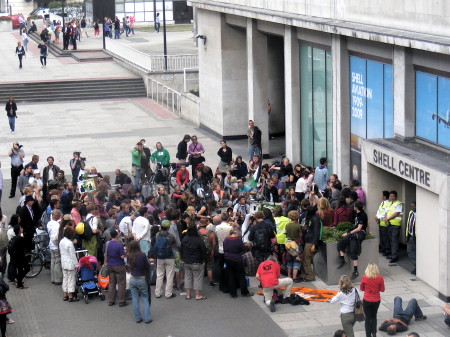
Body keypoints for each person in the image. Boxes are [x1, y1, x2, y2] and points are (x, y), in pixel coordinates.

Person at [337, 201, 367, 280]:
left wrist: (349, 234)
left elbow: (359, 228)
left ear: (356, 207)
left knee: (353, 249)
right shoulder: (357, 214)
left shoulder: (362, 215)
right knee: (341, 242)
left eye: (354, 206)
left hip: (359, 234)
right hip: (355, 233)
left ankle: (355, 270)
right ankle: (342, 260)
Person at [223, 226, 253, 298]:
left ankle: (233, 293)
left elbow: (224, 249)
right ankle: (244, 292)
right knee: (241, 276)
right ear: (237, 233)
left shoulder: (226, 240)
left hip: (227, 258)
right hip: (237, 259)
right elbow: (243, 249)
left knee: (231, 275)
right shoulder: (238, 241)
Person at [180, 223, 207, 300]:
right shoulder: (198, 240)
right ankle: (197, 295)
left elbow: (181, 250)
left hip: (186, 261)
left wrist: (183, 259)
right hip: (197, 261)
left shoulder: (184, 239)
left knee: (187, 278)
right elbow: (204, 251)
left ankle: (188, 294)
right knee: (197, 278)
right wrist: (204, 260)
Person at [127, 240, 152, 323]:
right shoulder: (142, 255)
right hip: (142, 278)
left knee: (135, 298)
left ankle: (137, 318)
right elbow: (147, 266)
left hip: (133, 278)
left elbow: (128, 266)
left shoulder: (129, 256)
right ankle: (147, 318)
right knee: (145, 298)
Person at [153, 220, 177, 299]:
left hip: (159, 257)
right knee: (169, 276)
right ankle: (168, 293)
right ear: (168, 227)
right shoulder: (171, 236)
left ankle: (157, 292)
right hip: (169, 257)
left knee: (159, 275)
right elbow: (174, 245)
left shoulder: (157, 235)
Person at [360, 263, 385, 337]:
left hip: (367, 300)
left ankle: (368, 335)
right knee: (374, 316)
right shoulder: (380, 278)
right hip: (376, 300)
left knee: (367, 318)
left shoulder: (364, 277)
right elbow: (382, 289)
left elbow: (361, 288)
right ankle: (374, 333)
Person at [106, 229, 127, 307]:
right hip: (119, 265)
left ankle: (111, 300)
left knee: (112, 282)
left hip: (110, 265)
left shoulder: (107, 244)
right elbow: (122, 256)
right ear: (117, 235)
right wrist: (126, 254)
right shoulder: (119, 245)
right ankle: (121, 300)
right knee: (121, 283)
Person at [299, 206, 321, 282]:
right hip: (310, 241)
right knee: (305, 258)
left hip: (311, 242)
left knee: (306, 259)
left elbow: (316, 232)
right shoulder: (315, 218)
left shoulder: (315, 219)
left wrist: (314, 244)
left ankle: (310, 276)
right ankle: (304, 274)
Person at [59, 226, 78, 302]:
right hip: (70, 263)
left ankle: (65, 294)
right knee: (71, 279)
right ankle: (70, 296)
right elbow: (73, 255)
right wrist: (76, 265)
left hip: (63, 262)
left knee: (65, 278)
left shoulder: (61, 241)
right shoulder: (70, 243)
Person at [385, 191, 403, 263]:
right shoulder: (389, 203)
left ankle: (394, 256)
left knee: (394, 241)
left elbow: (396, 213)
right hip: (389, 224)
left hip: (395, 225)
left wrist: (388, 219)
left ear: (396, 196)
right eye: (390, 196)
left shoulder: (399, 204)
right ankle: (392, 254)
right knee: (391, 240)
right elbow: (386, 212)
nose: (391, 197)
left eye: (393, 196)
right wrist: (386, 219)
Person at [285, 210, 301, 282]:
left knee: (289, 260)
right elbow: (300, 235)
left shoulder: (287, 225)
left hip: (288, 243)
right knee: (296, 260)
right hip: (296, 243)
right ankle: (294, 277)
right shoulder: (297, 225)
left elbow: (286, 233)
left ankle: (289, 276)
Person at [47, 210, 62, 285]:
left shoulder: (49, 223)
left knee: (53, 261)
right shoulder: (57, 225)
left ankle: (53, 278)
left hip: (51, 245)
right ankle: (57, 279)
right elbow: (56, 237)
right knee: (57, 262)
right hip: (56, 245)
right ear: (57, 216)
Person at [375, 191, 390, 256]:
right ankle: (383, 248)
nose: (381, 196)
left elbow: (385, 212)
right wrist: (376, 216)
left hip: (384, 222)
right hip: (381, 222)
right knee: (382, 236)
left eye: (382, 195)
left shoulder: (388, 203)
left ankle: (387, 250)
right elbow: (379, 210)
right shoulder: (382, 203)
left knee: (385, 237)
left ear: (384, 196)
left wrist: (378, 217)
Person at [406, 202, 416, 275]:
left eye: (413, 206)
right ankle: (416, 265)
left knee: (415, 251)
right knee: (410, 251)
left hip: (416, 236)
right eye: (411, 206)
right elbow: (409, 223)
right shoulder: (411, 212)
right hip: (410, 235)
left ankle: (417, 267)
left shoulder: (420, 214)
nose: (412, 208)